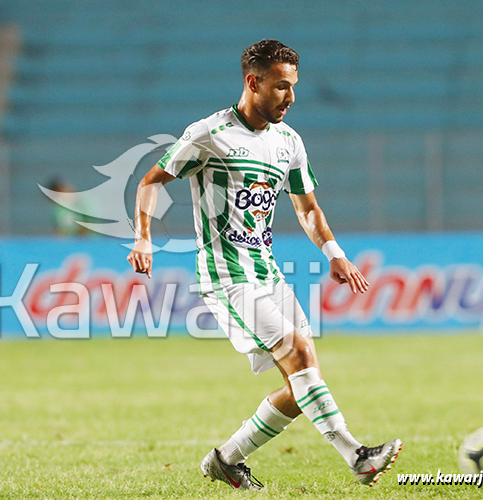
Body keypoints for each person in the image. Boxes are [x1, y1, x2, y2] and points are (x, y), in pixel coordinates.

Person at [127, 39, 401, 489]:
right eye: (280, 87)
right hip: (225, 274)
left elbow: (307, 208)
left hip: (268, 273)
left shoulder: (288, 142)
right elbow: (151, 180)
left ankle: (226, 459)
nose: (290, 97)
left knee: (302, 383)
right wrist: (143, 236)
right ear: (253, 83)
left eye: (293, 87)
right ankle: (357, 455)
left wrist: (334, 254)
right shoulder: (209, 134)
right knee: (298, 356)